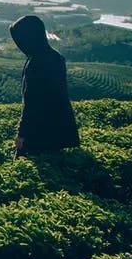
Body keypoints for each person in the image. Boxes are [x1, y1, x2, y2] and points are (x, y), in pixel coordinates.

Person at [9, 15, 80, 156]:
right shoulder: (56, 57)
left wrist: (21, 135)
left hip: (39, 133)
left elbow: (32, 103)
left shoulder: (35, 63)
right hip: (61, 129)